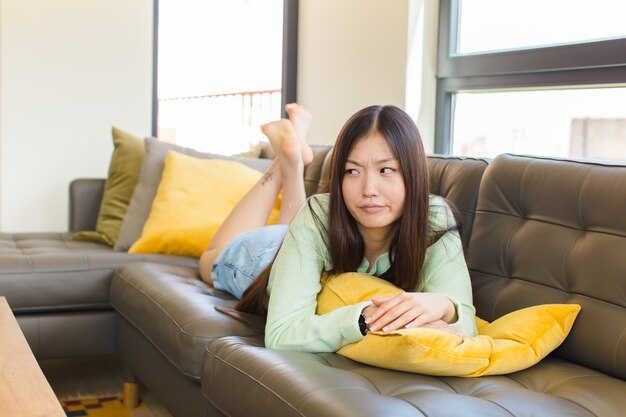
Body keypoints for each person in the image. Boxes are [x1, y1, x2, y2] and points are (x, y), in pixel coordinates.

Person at [199, 104, 478, 354]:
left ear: (413, 173)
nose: (369, 190)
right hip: (264, 256)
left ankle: (292, 157)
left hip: (303, 244)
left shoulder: (435, 216)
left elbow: (465, 326)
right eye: (352, 171)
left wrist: (443, 304)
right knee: (207, 260)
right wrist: (364, 317)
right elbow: (281, 334)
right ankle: (284, 162)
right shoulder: (317, 213)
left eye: (386, 170)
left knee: (296, 224)